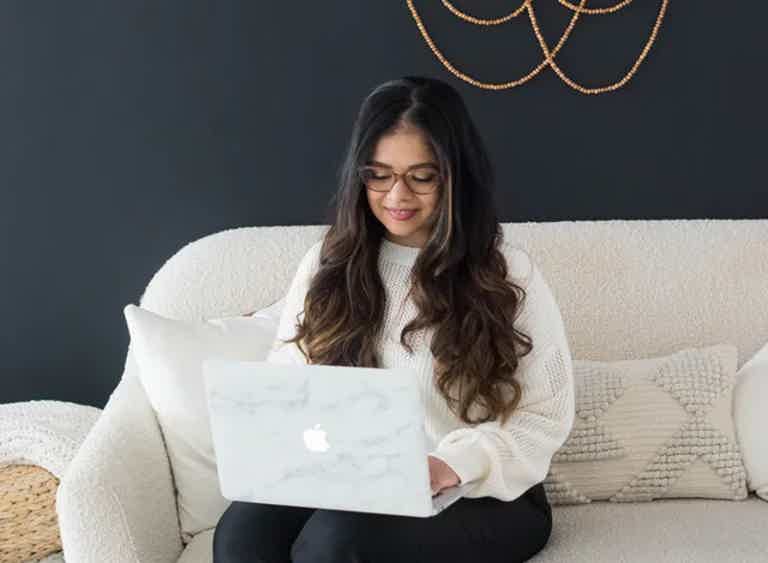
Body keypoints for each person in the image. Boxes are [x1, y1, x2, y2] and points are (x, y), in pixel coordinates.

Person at [213, 75, 575, 563]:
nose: (396, 195)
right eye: (379, 175)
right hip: (358, 481)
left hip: (484, 493)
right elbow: (288, 381)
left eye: (421, 176)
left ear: (454, 177)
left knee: (334, 544)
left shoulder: (506, 272)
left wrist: (449, 464)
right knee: (241, 530)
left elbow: (543, 417)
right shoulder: (328, 263)